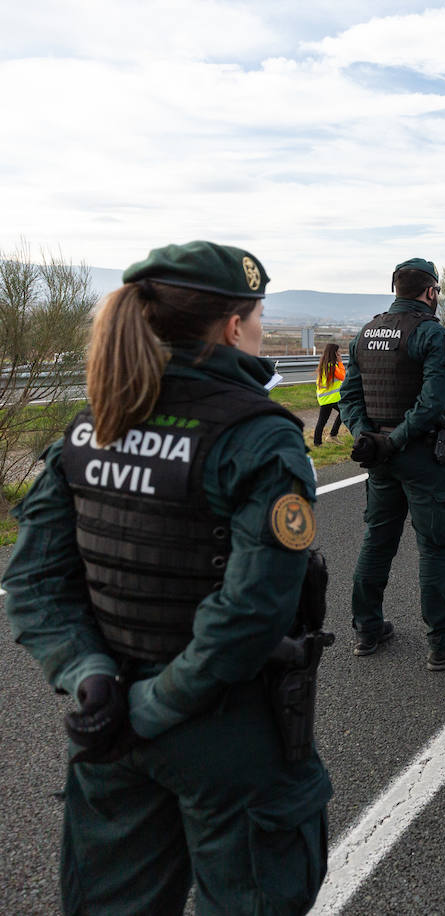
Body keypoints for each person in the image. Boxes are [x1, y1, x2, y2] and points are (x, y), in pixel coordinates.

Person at [3, 241, 332, 913]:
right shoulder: (257, 435)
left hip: (107, 725)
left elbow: (35, 582)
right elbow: (250, 612)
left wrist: (93, 679)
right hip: (220, 731)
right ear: (234, 325)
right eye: (259, 315)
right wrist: (151, 707)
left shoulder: (91, 425)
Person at [341, 257, 445, 669]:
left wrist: (366, 438)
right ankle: (444, 641)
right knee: (437, 543)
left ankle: (367, 628)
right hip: (420, 454)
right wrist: (397, 439)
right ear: (430, 292)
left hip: (380, 454)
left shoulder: (366, 332)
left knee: (378, 538)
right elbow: (433, 402)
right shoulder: (430, 333)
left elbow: (349, 397)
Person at [314, 341, 345, 445]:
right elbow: (343, 376)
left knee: (322, 422)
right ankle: (332, 435)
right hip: (331, 398)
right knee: (344, 412)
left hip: (325, 398)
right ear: (334, 353)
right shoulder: (331, 366)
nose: (339, 354)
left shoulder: (324, 364)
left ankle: (318, 443)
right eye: (338, 352)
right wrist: (340, 362)